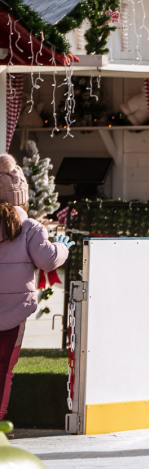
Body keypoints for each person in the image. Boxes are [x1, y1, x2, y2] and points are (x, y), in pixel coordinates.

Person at [0, 155, 70, 422]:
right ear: (21, 198)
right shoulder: (30, 227)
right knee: (4, 368)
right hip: (15, 311)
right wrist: (63, 246)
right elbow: (48, 260)